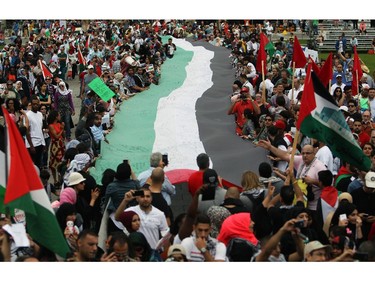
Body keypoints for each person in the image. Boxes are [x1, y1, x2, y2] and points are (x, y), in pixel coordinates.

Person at [257, 140, 327, 213]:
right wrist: (270, 147)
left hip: (313, 207)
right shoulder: (301, 160)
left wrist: (313, 181)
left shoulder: (320, 167)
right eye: (303, 153)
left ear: (314, 153)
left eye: (308, 153)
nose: (305, 155)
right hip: (298, 203)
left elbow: (327, 187)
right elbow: (285, 155)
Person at [104, 161, 140, 232]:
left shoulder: (111, 186)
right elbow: (138, 184)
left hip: (115, 220)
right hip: (131, 218)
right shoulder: (134, 185)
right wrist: (130, 169)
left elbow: (106, 203)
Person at [25, 95, 45, 169]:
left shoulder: (40, 114)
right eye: (34, 104)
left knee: (39, 164)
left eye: (37, 104)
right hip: (32, 144)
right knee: (32, 166)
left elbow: (40, 129)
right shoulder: (28, 115)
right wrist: (31, 146)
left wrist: (43, 143)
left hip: (40, 143)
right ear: (31, 104)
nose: (36, 106)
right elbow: (27, 132)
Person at [47, 110, 65, 186]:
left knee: (61, 162)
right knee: (54, 163)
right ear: (56, 117)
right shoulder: (51, 126)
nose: (59, 117)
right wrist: (62, 129)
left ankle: (60, 179)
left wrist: (62, 129)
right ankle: (55, 180)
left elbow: (63, 135)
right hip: (55, 144)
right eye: (58, 115)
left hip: (61, 144)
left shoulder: (59, 124)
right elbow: (56, 136)